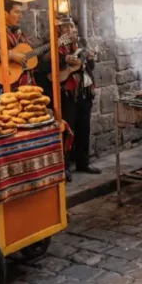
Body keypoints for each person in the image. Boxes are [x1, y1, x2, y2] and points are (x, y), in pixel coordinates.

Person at [37, 18, 100, 175]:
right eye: (66, 27)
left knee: (84, 128)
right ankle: (63, 167)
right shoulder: (51, 46)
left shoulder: (81, 43)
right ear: (59, 30)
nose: (70, 30)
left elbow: (90, 67)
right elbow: (42, 66)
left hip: (84, 91)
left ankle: (83, 162)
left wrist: (90, 59)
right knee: (66, 129)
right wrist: (64, 59)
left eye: (72, 26)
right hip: (66, 93)